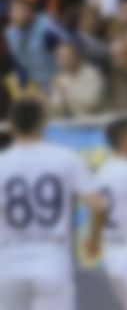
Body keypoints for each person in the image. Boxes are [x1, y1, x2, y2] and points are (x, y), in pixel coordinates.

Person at [0, 98, 104, 310]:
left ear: (11, 126)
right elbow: (97, 204)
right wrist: (92, 241)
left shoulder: (3, 163)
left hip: (10, 260)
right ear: (42, 123)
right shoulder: (64, 158)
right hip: (52, 258)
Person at [96, 117, 127, 310]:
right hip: (125, 241)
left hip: (108, 242)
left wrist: (93, 237)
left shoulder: (103, 170)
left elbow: (98, 208)